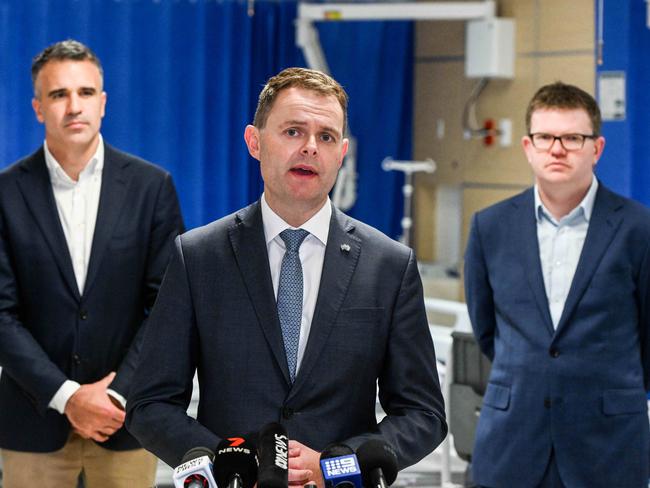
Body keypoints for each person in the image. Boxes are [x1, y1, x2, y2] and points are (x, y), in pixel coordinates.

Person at [125, 67, 446, 485]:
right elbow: (150, 404)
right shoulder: (198, 256)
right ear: (254, 142)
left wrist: (338, 463)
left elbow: (423, 413)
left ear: (342, 152)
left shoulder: (389, 264)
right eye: (293, 132)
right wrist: (226, 461)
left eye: (326, 137)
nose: (310, 148)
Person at [0, 40, 184, 487]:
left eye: (85, 93)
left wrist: (116, 393)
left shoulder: (151, 187)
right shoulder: (5, 194)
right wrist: (67, 397)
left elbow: (170, 306)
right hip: (32, 424)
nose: (73, 106)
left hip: (124, 421)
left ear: (102, 103)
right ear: (38, 107)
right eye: (58, 95)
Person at [464, 81, 650, 488]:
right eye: (546, 137)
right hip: (513, 442)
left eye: (572, 137)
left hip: (608, 447)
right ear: (528, 147)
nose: (558, 148)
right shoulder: (489, 227)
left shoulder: (640, 229)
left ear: (596, 148)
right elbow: (486, 330)